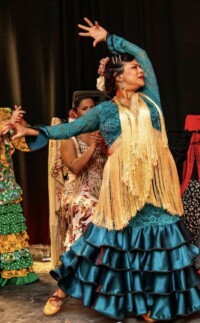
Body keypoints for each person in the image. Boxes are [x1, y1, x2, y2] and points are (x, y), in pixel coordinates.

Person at [3, 18, 200, 322]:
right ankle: (63, 290)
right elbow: (68, 128)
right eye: (133, 69)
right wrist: (30, 131)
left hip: (155, 187)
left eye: (138, 68)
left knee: (158, 245)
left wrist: (109, 37)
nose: (140, 70)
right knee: (104, 246)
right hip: (121, 192)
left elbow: (142, 54)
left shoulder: (151, 99)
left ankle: (149, 305)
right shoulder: (104, 111)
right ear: (119, 79)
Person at [48, 94, 107, 268]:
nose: (90, 112)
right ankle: (82, 264)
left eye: (92, 108)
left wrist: (104, 146)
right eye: (84, 108)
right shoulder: (70, 136)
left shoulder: (102, 133)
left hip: (104, 187)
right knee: (90, 209)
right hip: (79, 188)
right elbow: (74, 168)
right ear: (74, 112)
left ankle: (108, 266)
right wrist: (93, 147)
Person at [0, 106, 39, 286]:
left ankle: (12, 271)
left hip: (4, 186)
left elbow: (24, 143)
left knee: (8, 226)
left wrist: (18, 125)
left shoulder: (4, 114)